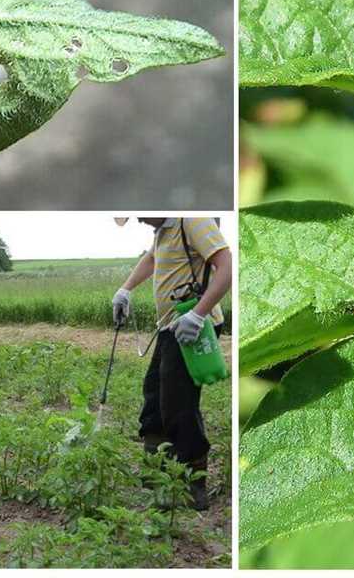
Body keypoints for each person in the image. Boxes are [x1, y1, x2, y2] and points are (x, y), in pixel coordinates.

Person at [112, 217, 231, 511]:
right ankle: (156, 470)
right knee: (154, 394)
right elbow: (152, 257)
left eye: (141, 212)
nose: (138, 218)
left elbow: (227, 267)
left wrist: (198, 314)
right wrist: (126, 289)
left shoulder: (192, 220)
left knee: (179, 403)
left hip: (193, 325)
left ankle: (193, 483)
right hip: (169, 327)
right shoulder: (162, 231)